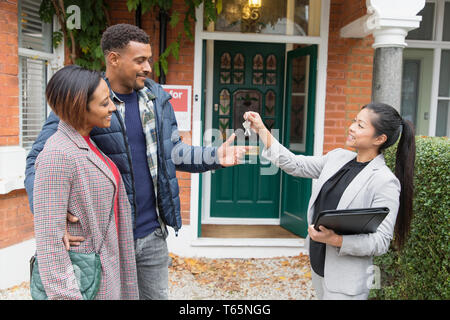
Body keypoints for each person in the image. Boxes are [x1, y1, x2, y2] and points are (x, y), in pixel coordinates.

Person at [25, 24, 248, 300]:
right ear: (114, 59)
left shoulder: (156, 98)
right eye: (140, 60)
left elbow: (172, 150)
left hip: (152, 233)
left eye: (149, 60)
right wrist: (52, 219)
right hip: (110, 238)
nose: (148, 68)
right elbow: (40, 158)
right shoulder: (87, 99)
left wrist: (213, 157)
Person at [244, 102, 415, 300]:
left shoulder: (384, 181)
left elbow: (381, 242)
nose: (351, 127)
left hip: (346, 281)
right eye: (354, 121)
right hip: (319, 266)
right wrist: (262, 130)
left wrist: (336, 240)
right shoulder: (337, 158)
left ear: (380, 138)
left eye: (360, 125)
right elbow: (295, 164)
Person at [33, 65, 139, 299]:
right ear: (78, 107)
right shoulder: (58, 154)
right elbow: (50, 245)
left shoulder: (86, 142)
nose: (113, 107)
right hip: (86, 283)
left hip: (106, 271)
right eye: (104, 104)